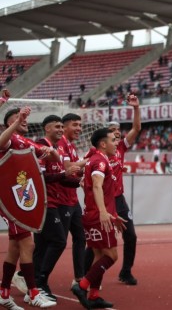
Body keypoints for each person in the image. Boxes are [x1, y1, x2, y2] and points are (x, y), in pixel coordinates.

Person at [0, 106, 58, 309]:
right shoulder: (8, 139)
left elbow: (52, 158)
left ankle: (4, 293)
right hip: (10, 200)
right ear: (9, 123)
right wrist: (17, 122)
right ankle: (33, 293)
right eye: (18, 118)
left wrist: (53, 153)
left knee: (15, 248)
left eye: (24, 117)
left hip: (21, 198)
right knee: (28, 244)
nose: (24, 119)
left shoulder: (27, 142)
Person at [84, 93, 141, 286]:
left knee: (131, 235)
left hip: (118, 199)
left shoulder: (120, 148)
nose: (117, 132)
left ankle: (125, 272)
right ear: (104, 136)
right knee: (96, 244)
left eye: (118, 129)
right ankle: (86, 276)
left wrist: (135, 108)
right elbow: (88, 167)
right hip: (103, 201)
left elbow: (136, 128)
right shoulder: (96, 153)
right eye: (112, 130)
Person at [71, 128, 126, 309]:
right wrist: (103, 212)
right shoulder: (100, 161)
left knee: (99, 255)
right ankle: (82, 286)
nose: (116, 142)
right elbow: (96, 186)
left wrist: (112, 214)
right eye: (113, 140)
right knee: (111, 256)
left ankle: (94, 296)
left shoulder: (98, 160)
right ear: (103, 144)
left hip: (93, 214)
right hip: (97, 216)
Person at [33, 115, 82, 302]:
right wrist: (65, 173)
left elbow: (61, 177)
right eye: (57, 126)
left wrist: (78, 181)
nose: (61, 130)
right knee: (58, 241)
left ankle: (34, 283)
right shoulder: (42, 147)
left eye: (62, 126)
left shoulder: (54, 148)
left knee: (42, 245)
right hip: (47, 202)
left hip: (55, 201)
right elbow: (41, 177)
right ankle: (40, 281)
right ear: (47, 128)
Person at [58, 113, 87, 288]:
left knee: (80, 237)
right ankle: (29, 275)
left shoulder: (72, 145)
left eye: (80, 125)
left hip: (72, 199)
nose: (79, 128)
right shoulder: (61, 143)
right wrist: (90, 161)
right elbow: (69, 168)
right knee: (55, 241)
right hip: (60, 200)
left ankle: (79, 277)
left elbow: (76, 170)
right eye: (75, 125)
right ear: (65, 126)